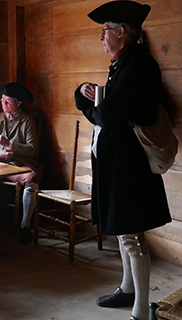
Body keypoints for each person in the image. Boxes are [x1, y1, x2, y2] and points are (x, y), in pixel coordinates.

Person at [74, 1, 172, 320]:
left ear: (120, 32)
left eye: (104, 31)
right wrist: (86, 93)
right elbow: (109, 108)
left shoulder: (139, 65)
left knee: (132, 237)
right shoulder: (124, 63)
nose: (101, 37)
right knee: (122, 231)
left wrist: (87, 103)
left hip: (129, 167)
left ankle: (140, 310)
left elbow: (109, 115)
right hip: (118, 164)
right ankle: (128, 290)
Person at [0, 82, 41, 245]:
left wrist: (10, 145)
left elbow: (32, 150)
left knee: (32, 180)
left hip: (17, 165)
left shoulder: (27, 121)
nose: (3, 104)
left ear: (18, 103)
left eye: (8, 101)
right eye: (2, 100)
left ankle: (25, 226)